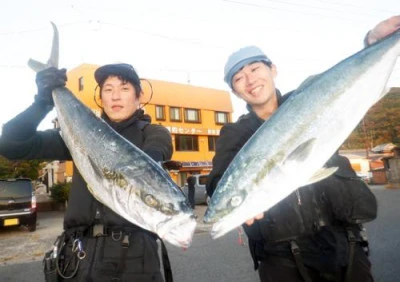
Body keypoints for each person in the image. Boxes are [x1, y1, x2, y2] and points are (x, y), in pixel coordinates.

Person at [206, 16, 400, 282]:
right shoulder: (234, 133)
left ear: (272, 69)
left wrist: (373, 43)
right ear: (235, 91)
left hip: (346, 247)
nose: (249, 80)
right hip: (284, 261)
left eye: (254, 68)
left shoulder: (310, 98)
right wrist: (236, 201)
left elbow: (350, 81)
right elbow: (219, 181)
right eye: (238, 78)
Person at [0, 63, 173, 281]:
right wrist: (42, 101)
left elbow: (156, 152)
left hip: (133, 257)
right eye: (108, 89)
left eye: (124, 88)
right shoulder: (80, 135)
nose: (115, 96)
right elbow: (11, 144)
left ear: (139, 96)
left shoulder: (152, 132)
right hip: (77, 256)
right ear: (101, 97)